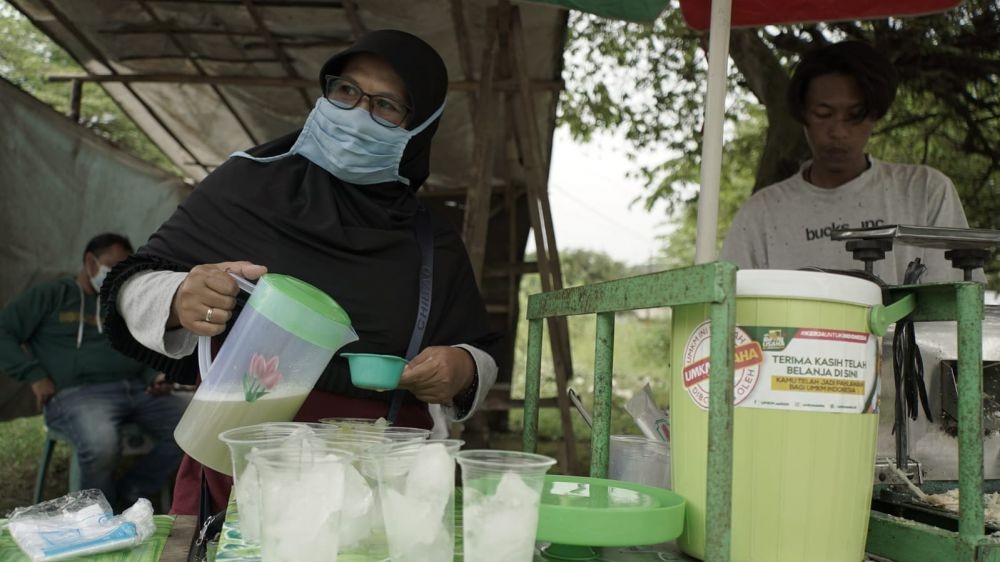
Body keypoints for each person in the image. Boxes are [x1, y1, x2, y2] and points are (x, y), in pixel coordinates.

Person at [100, 30, 502, 515]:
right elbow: (128, 282)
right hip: (238, 472)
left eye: (387, 105)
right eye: (346, 91)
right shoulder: (249, 184)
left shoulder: (431, 243)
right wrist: (178, 295)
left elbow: (477, 352)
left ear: (420, 128)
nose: (357, 115)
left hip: (378, 488)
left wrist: (461, 369)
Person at [720, 40, 981, 284]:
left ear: (875, 115)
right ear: (803, 115)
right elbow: (730, 311)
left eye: (855, 116)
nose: (838, 131)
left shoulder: (924, 191)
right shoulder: (762, 214)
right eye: (824, 114)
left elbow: (958, 302)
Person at [0, 233, 186, 507]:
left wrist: (153, 376)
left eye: (123, 270)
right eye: (111, 267)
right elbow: (4, 331)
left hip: (134, 389)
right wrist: (34, 375)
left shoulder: (121, 301)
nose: (116, 275)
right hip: (77, 395)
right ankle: (99, 518)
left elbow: (140, 347)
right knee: (101, 445)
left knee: (190, 429)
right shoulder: (53, 295)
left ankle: (132, 490)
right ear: (90, 262)